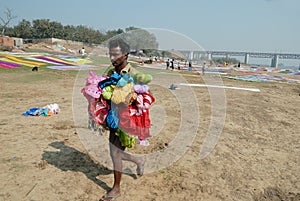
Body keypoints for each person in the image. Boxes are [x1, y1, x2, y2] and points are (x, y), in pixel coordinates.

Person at [100, 38, 146, 201]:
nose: (112, 58)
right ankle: (138, 160)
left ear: (125, 54)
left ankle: (116, 188)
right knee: (115, 153)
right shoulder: (110, 73)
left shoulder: (133, 74)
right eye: (110, 54)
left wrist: (131, 100)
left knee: (115, 153)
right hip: (113, 118)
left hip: (127, 120)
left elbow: (145, 96)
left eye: (116, 55)